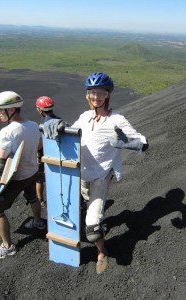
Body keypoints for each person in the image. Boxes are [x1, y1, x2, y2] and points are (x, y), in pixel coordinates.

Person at [43, 72, 148, 274]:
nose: (96, 97)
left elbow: (141, 142)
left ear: (108, 95)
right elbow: (69, 136)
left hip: (100, 177)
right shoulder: (85, 116)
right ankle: (93, 222)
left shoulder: (116, 120)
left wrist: (124, 142)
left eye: (101, 93)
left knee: (91, 228)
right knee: (80, 211)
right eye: (92, 92)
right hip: (80, 174)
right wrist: (56, 123)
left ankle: (101, 252)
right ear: (88, 94)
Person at [0, 91, 45, 260]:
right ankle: (38, 222)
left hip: (17, 178)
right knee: (33, 197)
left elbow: (1, 164)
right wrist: (39, 168)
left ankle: (8, 246)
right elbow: (40, 148)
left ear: (11, 110)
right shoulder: (34, 125)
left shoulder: (7, 132)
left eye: (0, 110)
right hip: (32, 172)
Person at [35, 96, 60, 208]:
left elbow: (40, 144)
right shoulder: (58, 119)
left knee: (40, 179)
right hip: (57, 153)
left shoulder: (42, 124)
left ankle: (40, 200)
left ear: (40, 110)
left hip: (43, 155)